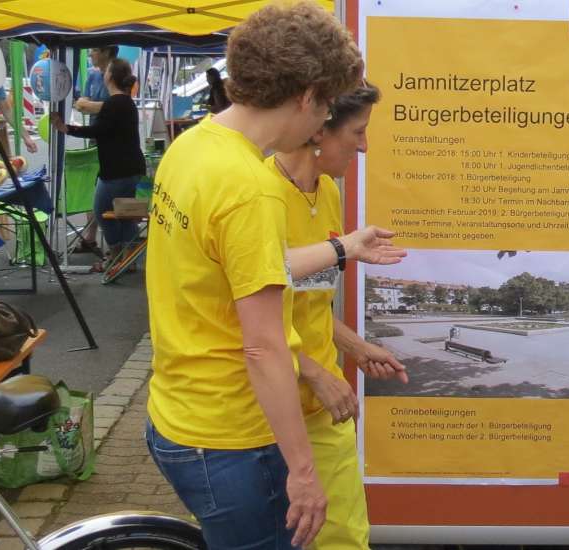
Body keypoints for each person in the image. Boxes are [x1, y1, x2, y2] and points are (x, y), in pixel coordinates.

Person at [143, 2, 402, 547]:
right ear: (307, 96)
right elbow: (264, 346)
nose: (323, 124)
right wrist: (304, 472)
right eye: (328, 106)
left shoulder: (191, 146)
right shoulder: (251, 188)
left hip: (178, 412)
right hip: (231, 435)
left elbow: (211, 292)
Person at [267, 83, 409, 549]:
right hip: (263, 412)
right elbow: (236, 314)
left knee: (345, 538)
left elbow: (307, 303)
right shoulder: (259, 197)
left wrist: (355, 347)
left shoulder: (327, 192)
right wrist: (312, 373)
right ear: (318, 130)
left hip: (324, 408)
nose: (365, 147)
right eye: (358, 132)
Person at [50, 58, 143, 266]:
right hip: (133, 168)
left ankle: (117, 254)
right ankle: (128, 259)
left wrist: (67, 128)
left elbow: (96, 131)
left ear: (109, 76)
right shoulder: (127, 102)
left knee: (101, 211)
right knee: (125, 213)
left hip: (115, 171)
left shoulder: (113, 104)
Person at [73, 46, 116, 115]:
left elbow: (116, 107)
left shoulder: (119, 77)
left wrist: (87, 105)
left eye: (95, 50)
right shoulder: (92, 75)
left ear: (106, 53)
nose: (90, 54)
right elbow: (81, 108)